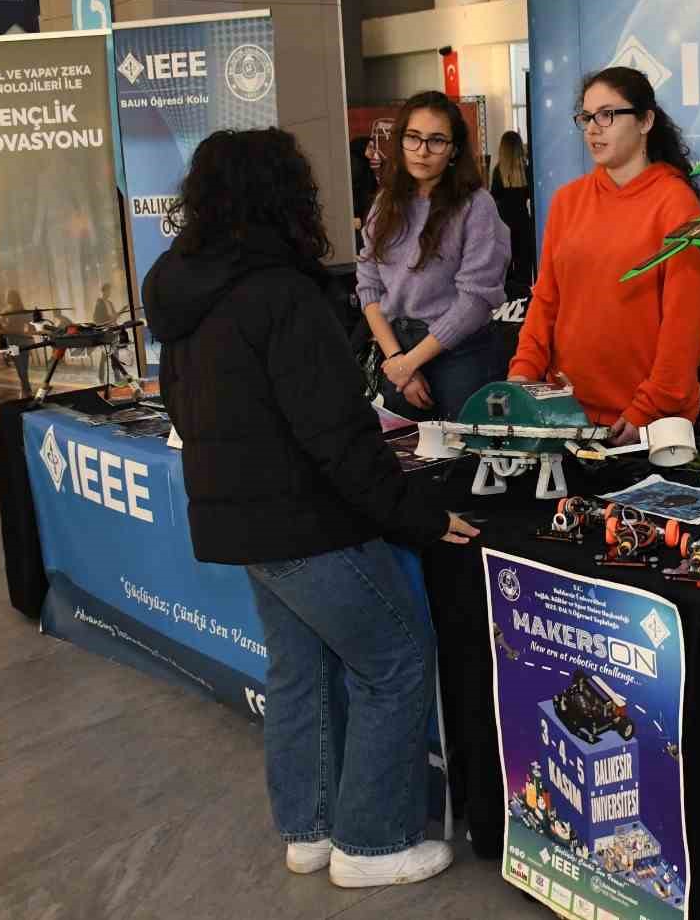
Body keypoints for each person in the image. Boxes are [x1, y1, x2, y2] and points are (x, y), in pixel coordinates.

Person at [142, 127, 478, 889]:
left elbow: (183, 409)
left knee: (302, 671)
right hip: (307, 524)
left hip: (245, 524)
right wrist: (420, 516)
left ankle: (312, 830)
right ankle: (372, 842)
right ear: (283, 195)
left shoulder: (182, 284)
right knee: (392, 663)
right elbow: (340, 437)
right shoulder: (280, 293)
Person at [508, 66, 700, 445]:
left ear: (645, 121)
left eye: (607, 115)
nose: (592, 128)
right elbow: (546, 301)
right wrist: (523, 373)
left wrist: (646, 409)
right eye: (586, 117)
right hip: (565, 414)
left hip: (646, 425)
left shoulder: (676, 203)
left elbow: (687, 325)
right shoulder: (568, 200)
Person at [356, 91, 509, 420]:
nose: (422, 151)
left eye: (436, 141)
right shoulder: (385, 203)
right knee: (404, 460)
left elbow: (475, 301)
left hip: (461, 354)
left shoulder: (476, 205)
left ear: (453, 149)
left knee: (463, 464)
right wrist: (399, 361)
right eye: (413, 138)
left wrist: (409, 364)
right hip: (397, 350)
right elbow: (368, 288)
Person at [490, 130, 534, 284]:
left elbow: (493, 197)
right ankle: (524, 302)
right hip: (523, 223)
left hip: (503, 224)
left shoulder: (497, 172)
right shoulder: (527, 171)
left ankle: (510, 302)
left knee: (506, 268)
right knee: (524, 268)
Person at [349, 136, 378, 255]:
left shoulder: (364, 166)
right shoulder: (355, 166)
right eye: (370, 147)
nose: (373, 151)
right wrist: (351, 216)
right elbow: (350, 192)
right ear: (361, 148)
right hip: (354, 219)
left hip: (360, 218)